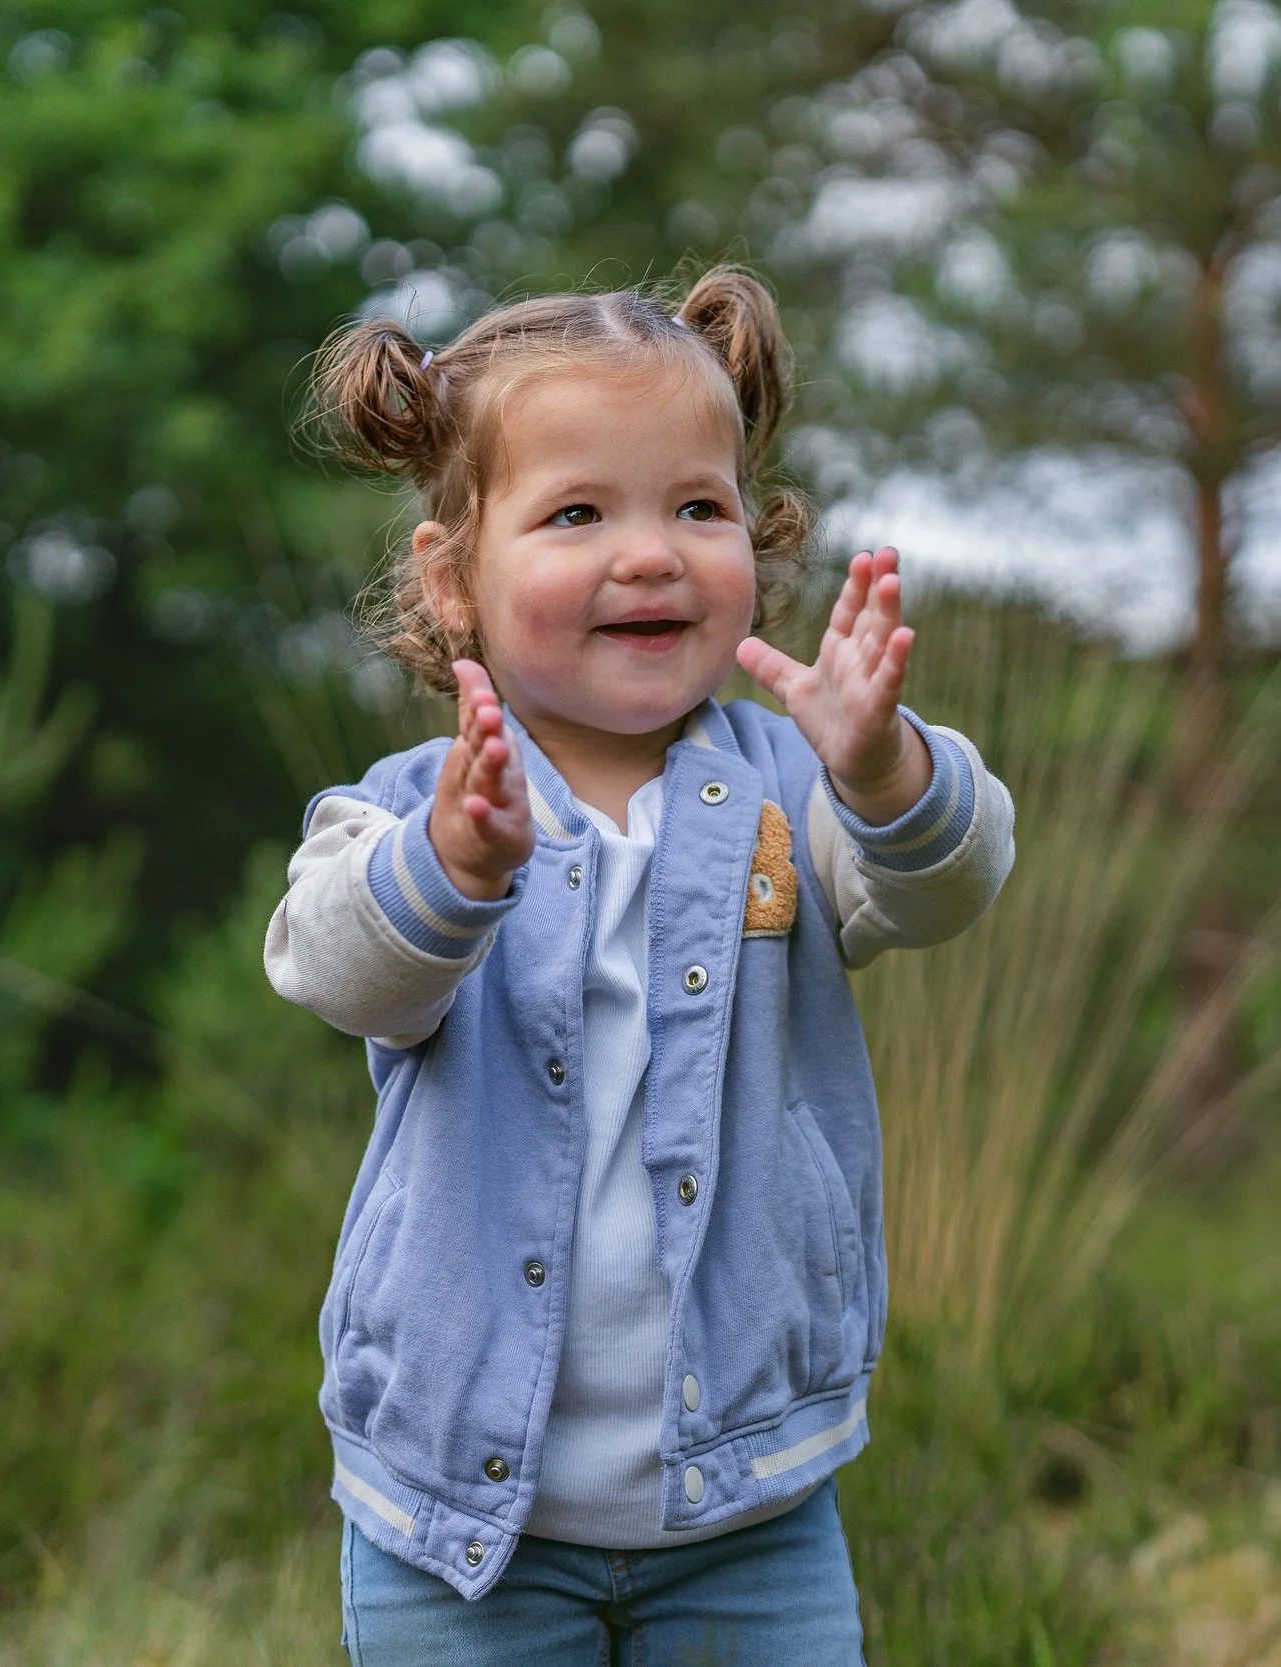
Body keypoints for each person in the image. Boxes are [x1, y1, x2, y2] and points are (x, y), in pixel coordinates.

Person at [266, 267, 1015, 1664]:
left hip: (752, 1508)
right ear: (454, 579)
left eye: (697, 506)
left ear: (754, 535)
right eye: (576, 514)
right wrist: (456, 869)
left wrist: (885, 765)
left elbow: (944, 884)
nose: (651, 553)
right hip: (457, 1529)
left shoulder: (794, 786)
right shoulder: (416, 804)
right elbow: (336, 969)